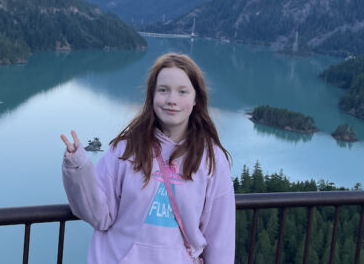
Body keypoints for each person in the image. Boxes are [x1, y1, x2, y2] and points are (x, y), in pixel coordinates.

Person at [61, 53, 235, 263]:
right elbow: (99, 215)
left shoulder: (211, 159)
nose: (172, 100)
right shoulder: (125, 149)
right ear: (152, 95)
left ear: (196, 98)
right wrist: (78, 167)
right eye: (163, 90)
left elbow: (220, 238)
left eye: (182, 92)